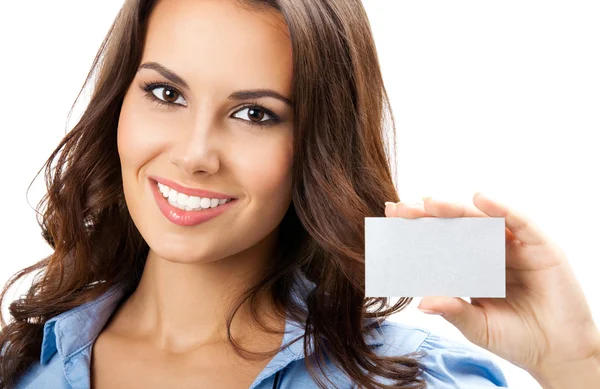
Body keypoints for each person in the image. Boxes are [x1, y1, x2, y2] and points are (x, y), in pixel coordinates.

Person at [0, 0, 598, 388]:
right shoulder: (24, 363)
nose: (194, 154)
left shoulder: (406, 379)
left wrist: (575, 368)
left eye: (256, 113)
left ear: (319, 146)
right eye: (166, 95)